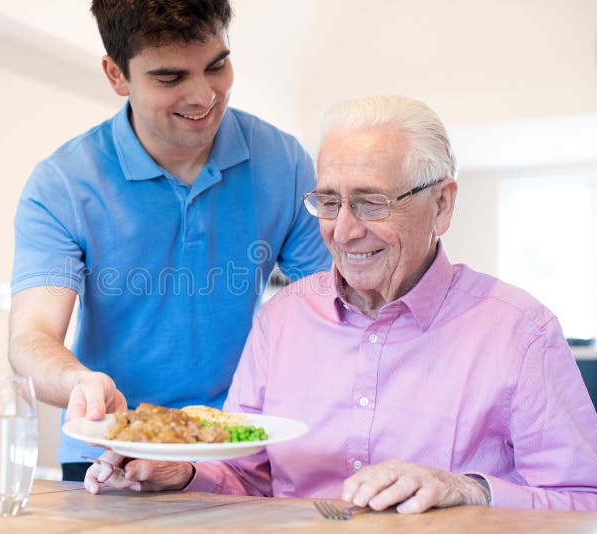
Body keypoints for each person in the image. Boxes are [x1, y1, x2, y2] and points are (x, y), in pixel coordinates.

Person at [84, 95, 597, 511]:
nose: (345, 231)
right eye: (328, 202)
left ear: (441, 204)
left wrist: (468, 489)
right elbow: (247, 471)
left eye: (372, 202)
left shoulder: (520, 331)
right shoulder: (282, 318)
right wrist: (184, 471)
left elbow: (583, 501)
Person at [8, 0, 331, 481]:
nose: (204, 96)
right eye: (170, 78)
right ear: (117, 75)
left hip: (235, 452)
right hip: (111, 450)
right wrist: (80, 383)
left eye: (217, 66)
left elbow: (331, 308)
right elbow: (30, 339)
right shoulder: (64, 184)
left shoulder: (284, 162)